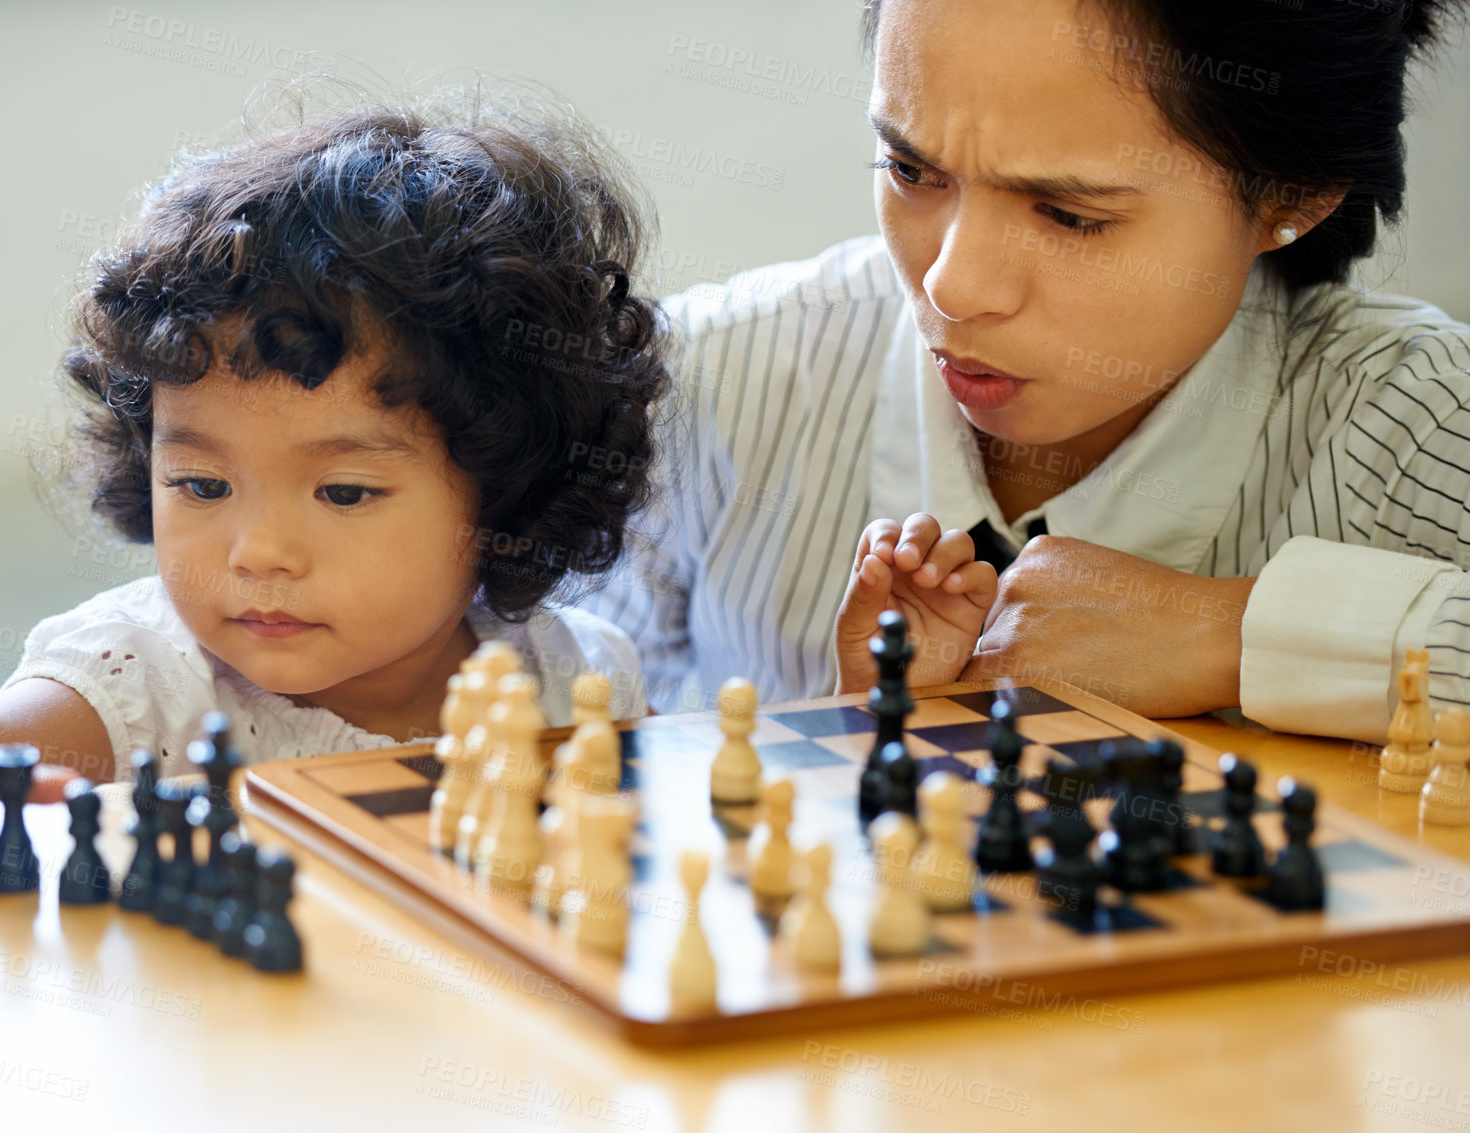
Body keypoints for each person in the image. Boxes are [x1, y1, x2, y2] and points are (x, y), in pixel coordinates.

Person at [580, 0, 1470, 742]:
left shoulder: (1412, 424)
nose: (951, 285)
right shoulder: (709, 377)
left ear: (1296, 196)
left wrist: (1233, 634)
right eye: (908, 167)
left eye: (1069, 214)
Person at [0, 97, 672, 885]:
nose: (256, 550)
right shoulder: (148, 684)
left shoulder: (576, 676)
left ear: (506, 488)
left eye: (343, 493)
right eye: (202, 483)